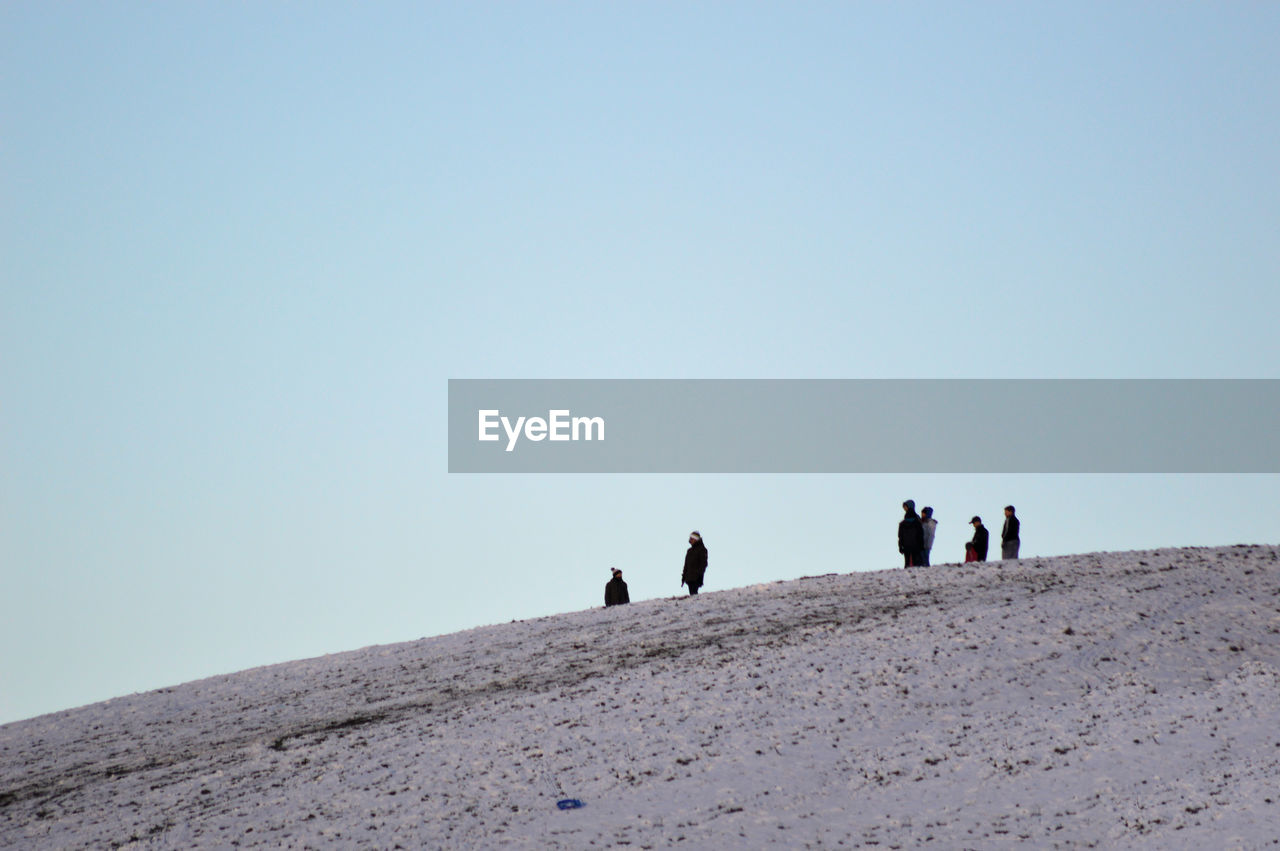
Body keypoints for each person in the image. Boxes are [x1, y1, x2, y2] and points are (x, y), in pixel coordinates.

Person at [898, 500, 925, 568]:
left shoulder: (902, 523)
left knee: (907, 564)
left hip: (906, 545)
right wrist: (921, 545)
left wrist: (900, 546)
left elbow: (900, 536)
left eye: (905, 507)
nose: (904, 509)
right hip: (916, 545)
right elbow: (920, 534)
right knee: (917, 564)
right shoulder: (917, 521)